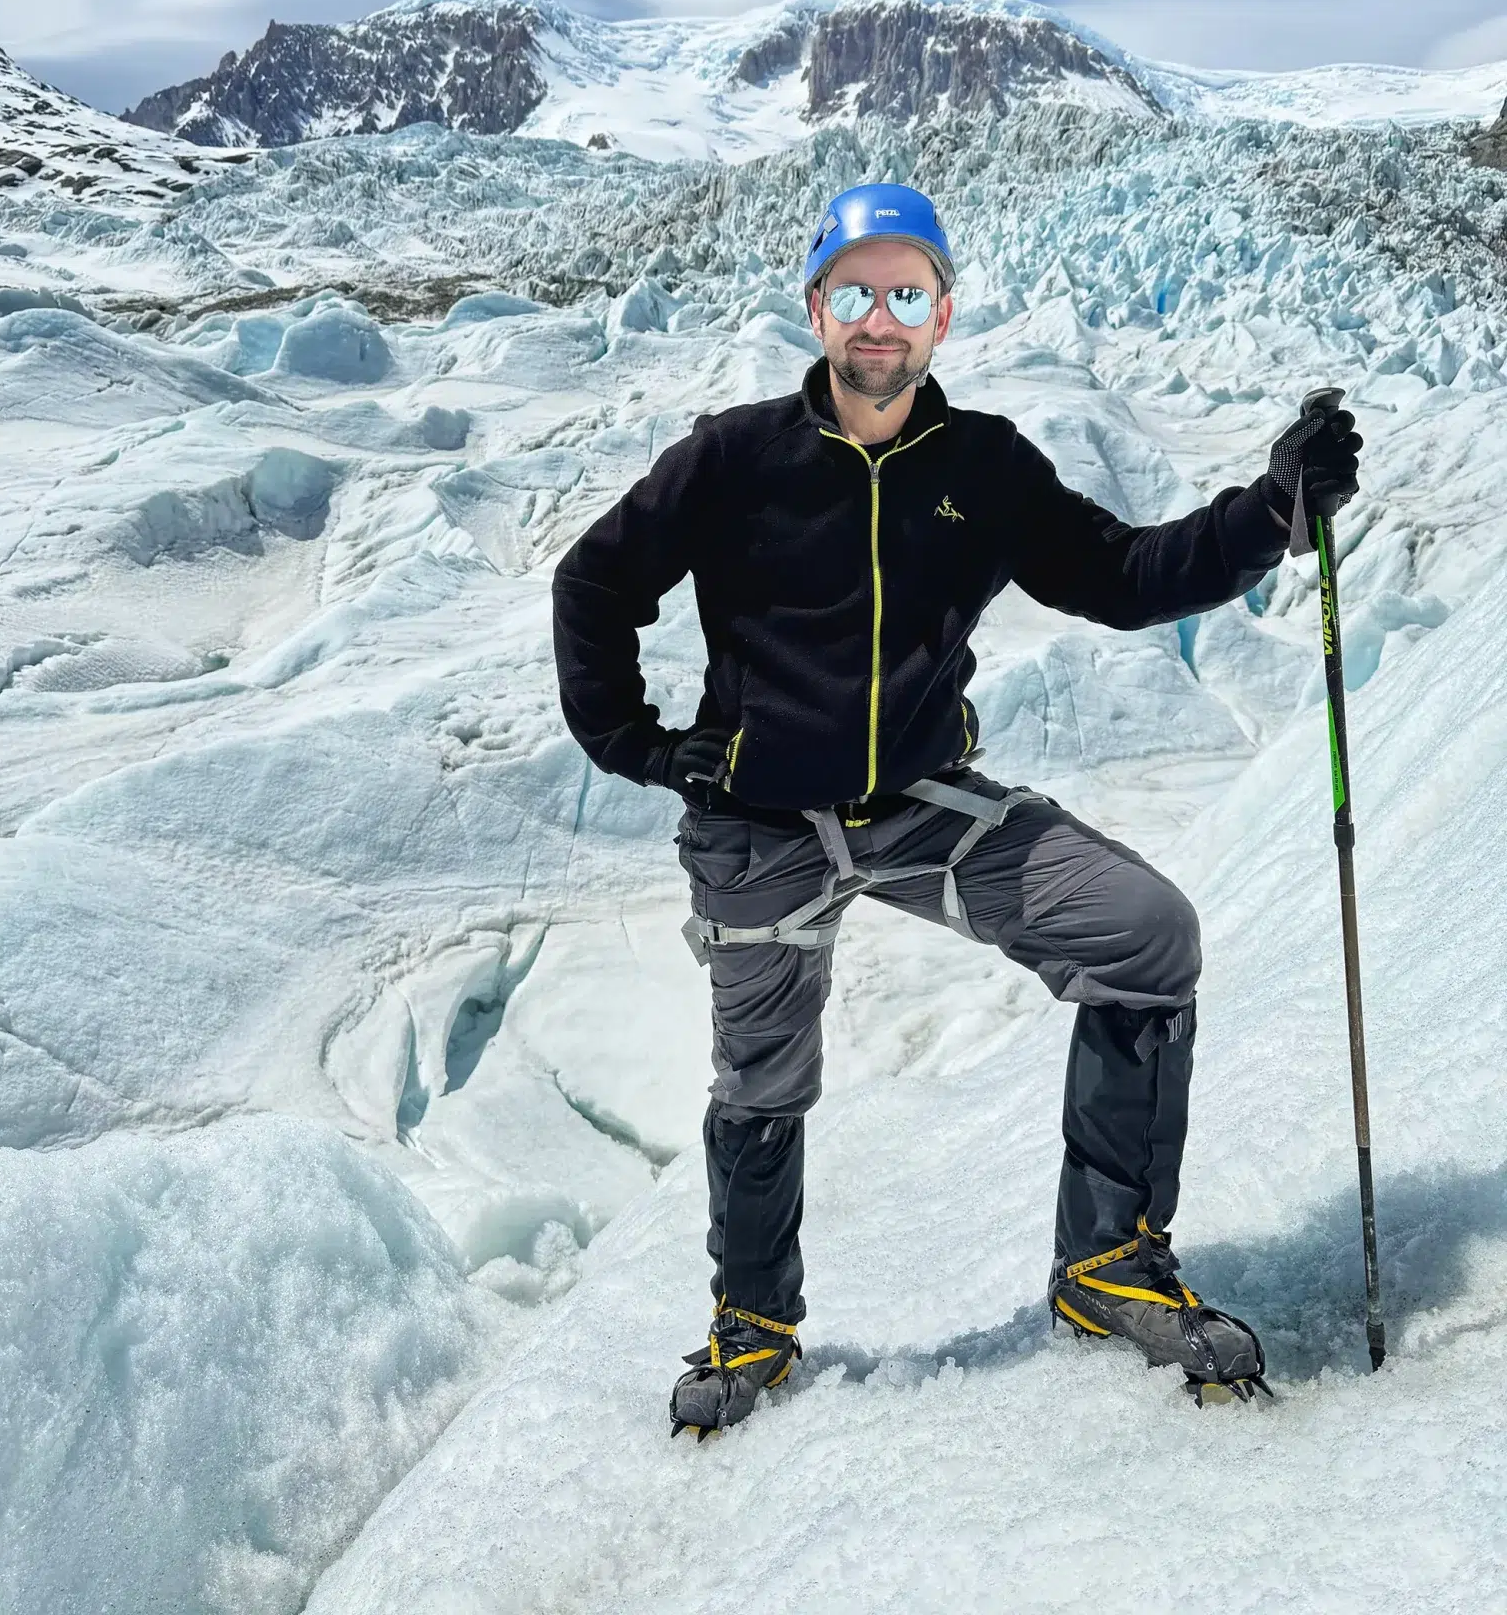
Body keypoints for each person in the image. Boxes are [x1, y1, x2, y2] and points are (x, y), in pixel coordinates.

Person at [551, 181, 1361, 1436]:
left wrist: (1271, 515)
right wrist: (646, 751)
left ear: (942, 316)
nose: (883, 320)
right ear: (817, 306)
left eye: (909, 294)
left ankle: (1107, 1267)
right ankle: (755, 1322)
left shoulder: (981, 465)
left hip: (920, 804)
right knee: (762, 1077)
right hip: (760, 821)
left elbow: (1121, 572)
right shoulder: (733, 457)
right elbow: (594, 583)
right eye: (859, 292)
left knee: (1144, 935)